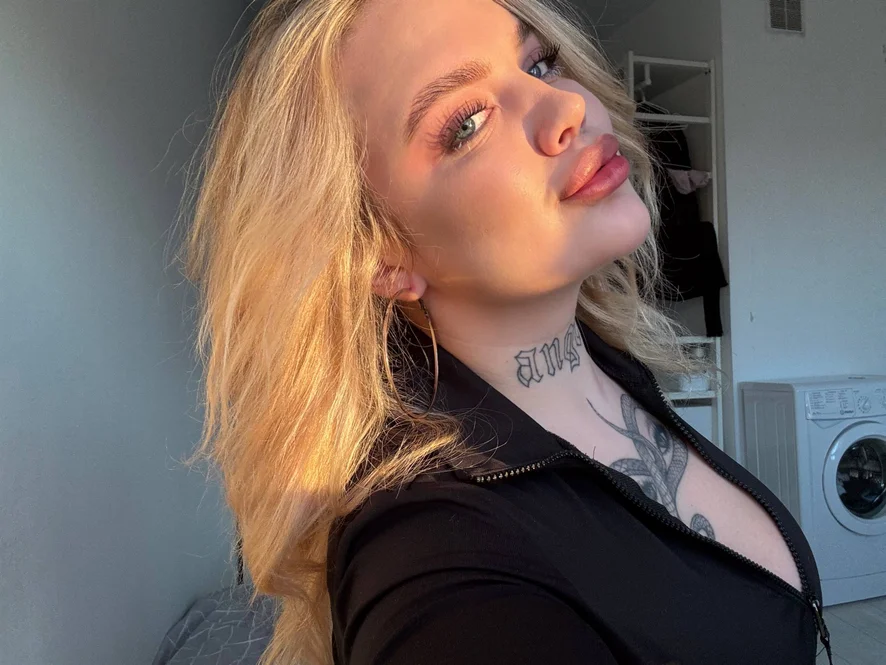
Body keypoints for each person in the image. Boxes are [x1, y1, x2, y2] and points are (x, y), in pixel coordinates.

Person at [181, 0, 832, 663]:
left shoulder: (610, 362)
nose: (567, 106)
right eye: (466, 123)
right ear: (379, 256)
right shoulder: (434, 550)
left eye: (540, 63)